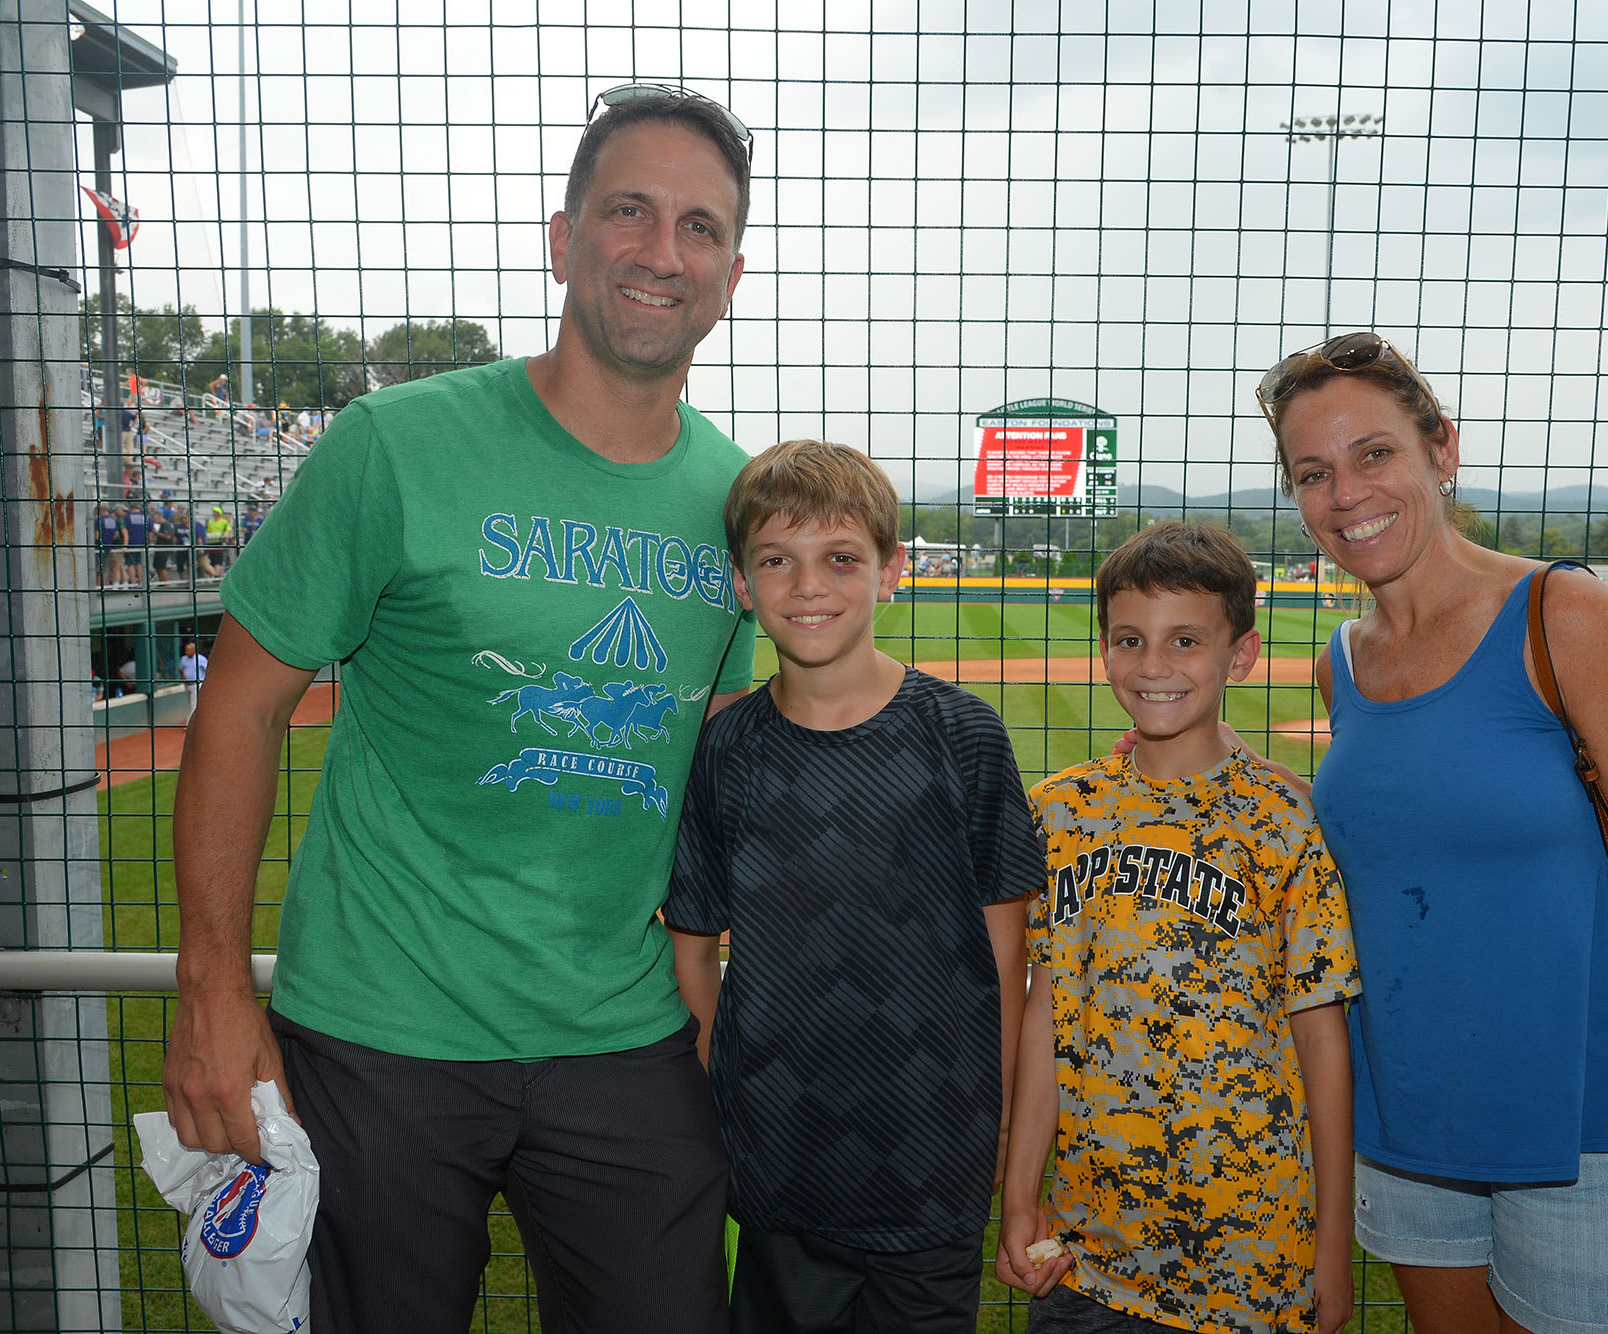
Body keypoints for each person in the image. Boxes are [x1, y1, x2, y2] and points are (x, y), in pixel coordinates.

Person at [161, 81, 758, 1332]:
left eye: (699, 228)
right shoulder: (394, 443)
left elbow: (706, 754)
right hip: (383, 1030)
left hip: (621, 1029)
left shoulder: (737, 500)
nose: (662, 252)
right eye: (629, 212)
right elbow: (241, 705)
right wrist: (213, 979)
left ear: (732, 273)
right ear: (562, 238)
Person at [1255, 331, 1608, 1333]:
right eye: (1312, 472)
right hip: (1409, 1119)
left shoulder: (1566, 617)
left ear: (1440, 450)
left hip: (1588, 1121)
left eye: (1373, 453)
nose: (1345, 493)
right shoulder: (1338, 665)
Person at [664, 439, 1038, 1333]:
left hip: (932, 1150)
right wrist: (727, 1097)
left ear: (890, 571)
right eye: (776, 561)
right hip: (781, 1151)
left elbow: (1005, 949)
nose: (809, 586)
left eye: (840, 558)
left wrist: (992, 1114)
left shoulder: (964, 736)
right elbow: (693, 946)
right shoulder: (724, 751)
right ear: (743, 584)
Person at [998, 520, 1361, 1334]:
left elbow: (1321, 1040)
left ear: (1240, 655)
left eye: (1186, 640)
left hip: (1254, 1251)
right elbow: (1045, 1018)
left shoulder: (1284, 825)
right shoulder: (1062, 812)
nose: (1153, 666)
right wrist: (1020, 1195)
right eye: (1130, 639)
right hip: (1090, 1251)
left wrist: (1330, 1244)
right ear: (1104, 648)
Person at [178, 638, 208, 712]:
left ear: (193, 650)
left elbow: (207, 669)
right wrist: (184, 676)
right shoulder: (184, 658)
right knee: (191, 704)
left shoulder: (200, 658)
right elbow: (181, 669)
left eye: (188, 650)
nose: (186, 652)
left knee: (194, 706)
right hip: (187, 684)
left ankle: (191, 723)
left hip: (197, 684)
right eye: (186, 650)